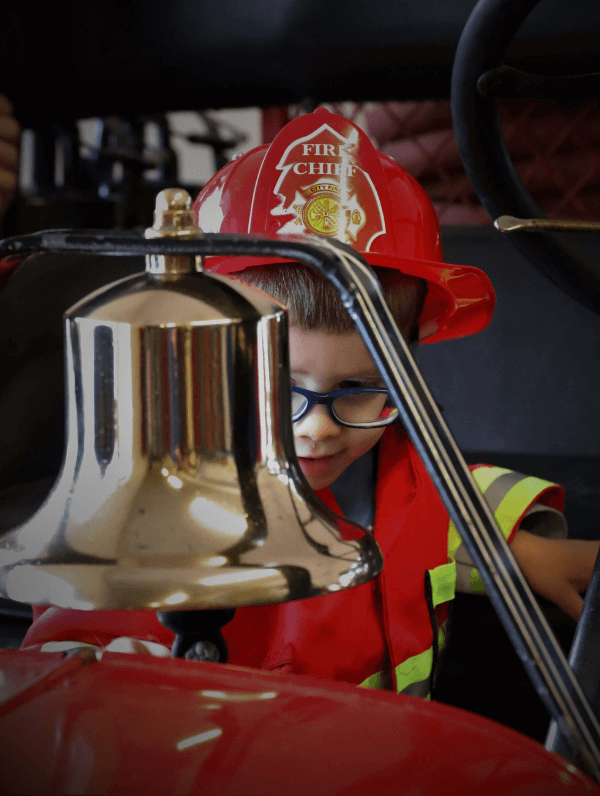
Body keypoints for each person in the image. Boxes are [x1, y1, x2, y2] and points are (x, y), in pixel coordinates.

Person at [20, 109, 600, 699]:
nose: (319, 429)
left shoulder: (402, 468)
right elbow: (73, 659)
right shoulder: (146, 514)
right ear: (194, 354)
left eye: (358, 389)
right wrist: (106, 685)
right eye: (276, 388)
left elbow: (442, 503)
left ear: (408, 363)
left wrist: (519, 550)